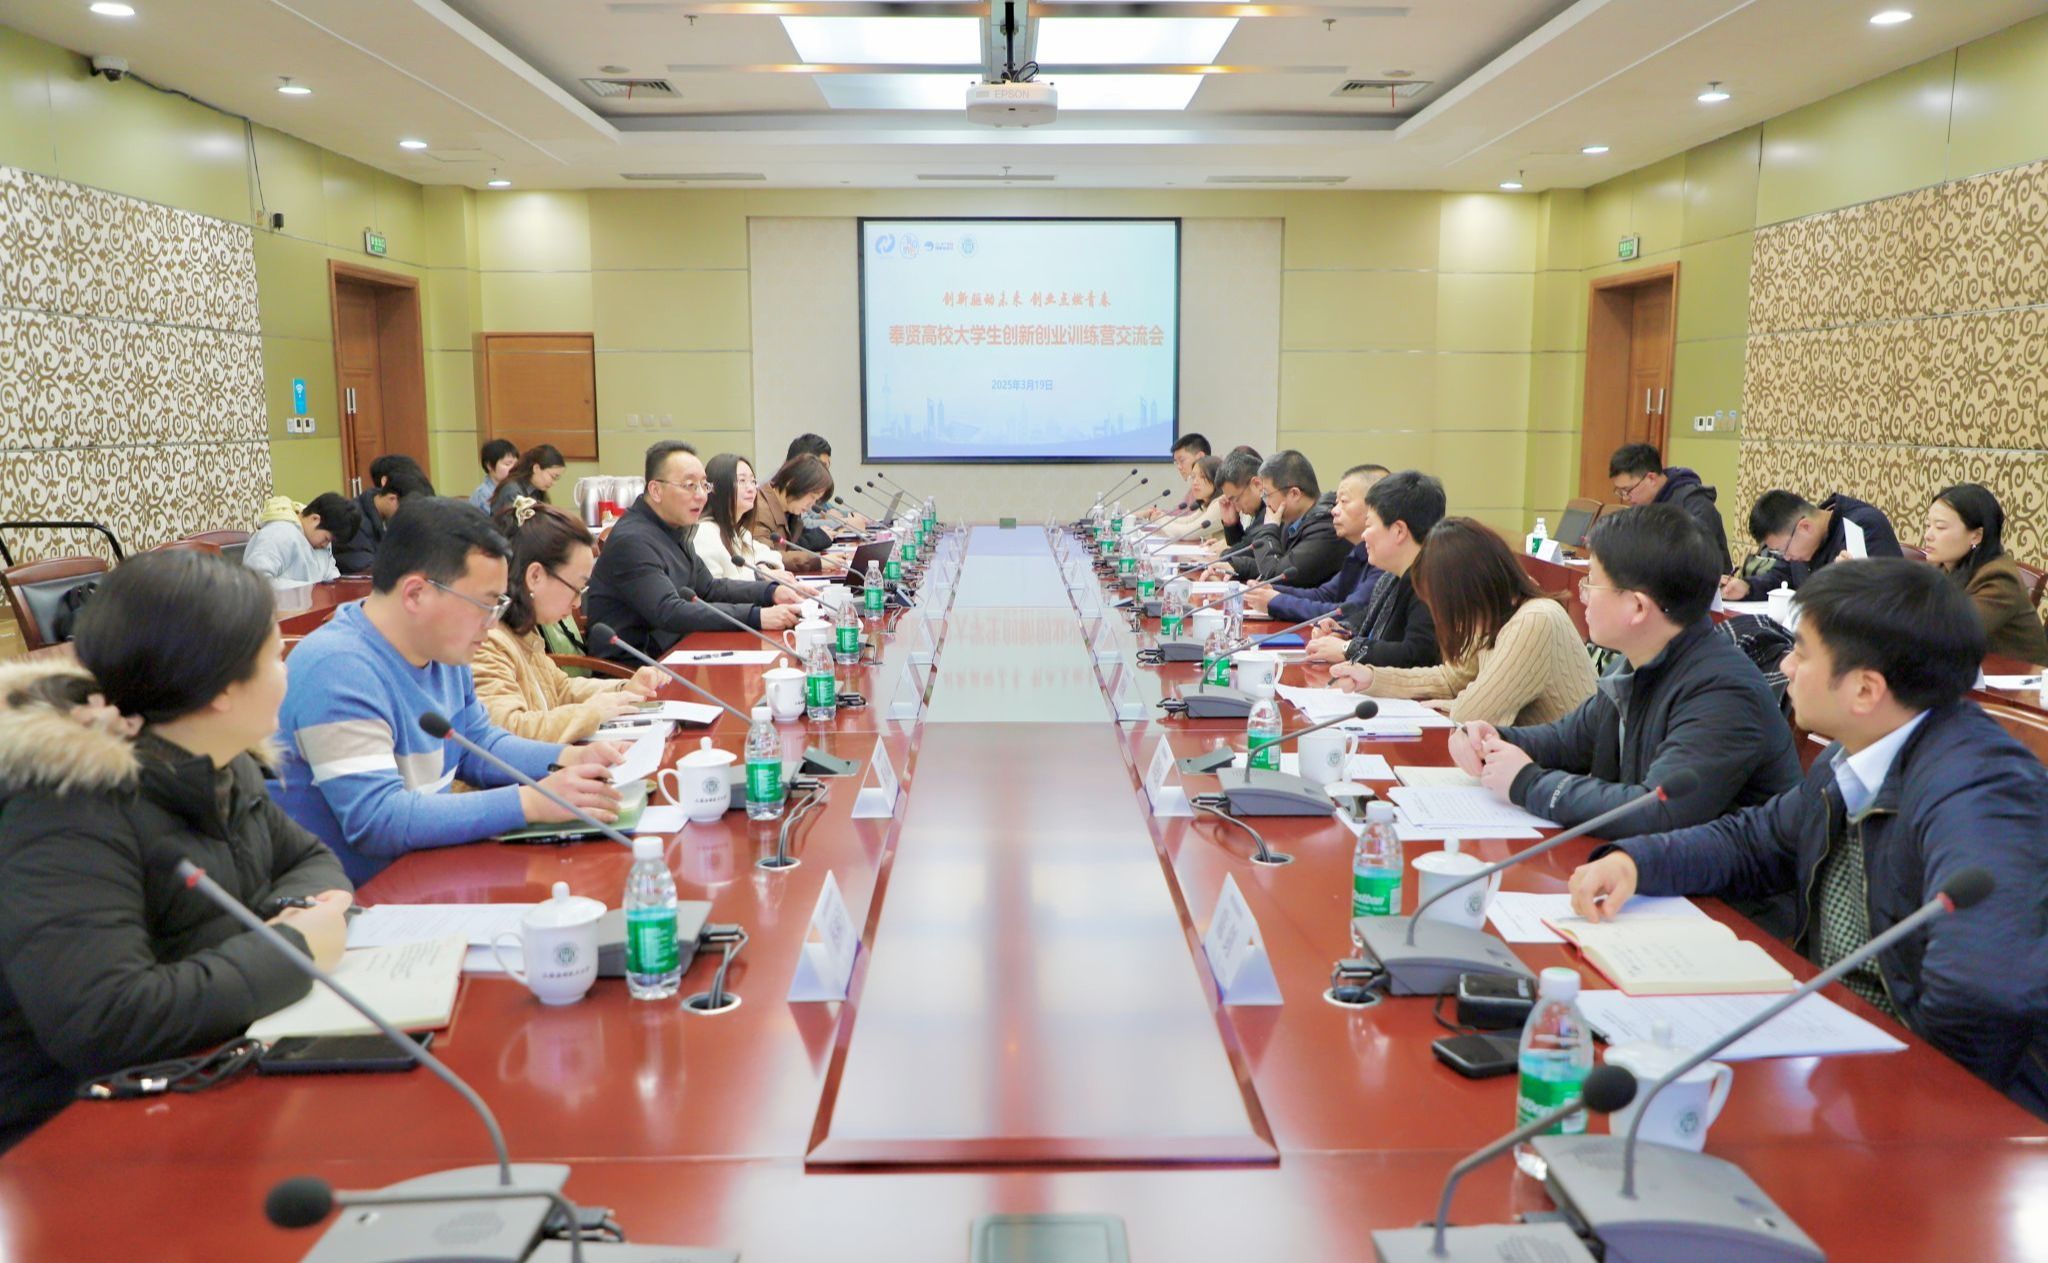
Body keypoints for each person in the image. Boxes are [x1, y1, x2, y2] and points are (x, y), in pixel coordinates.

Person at [1566, 559, 2048, 1117]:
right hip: (1840, 1053)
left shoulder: (1981, 795)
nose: (1786, 666)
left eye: (1801, 652)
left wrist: (1907, 1102)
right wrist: (1635, 862)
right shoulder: (1858, 750)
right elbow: (1757, 840)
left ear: (1865, 689)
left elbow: (1985, 992)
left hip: (1938, 1109)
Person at [0, 551, 352, 1150]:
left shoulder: (223, 761)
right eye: (275, 656)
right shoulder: (68, 809)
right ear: (221, 689)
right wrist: (291, 950)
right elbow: (104, 1019)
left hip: (202, 1072)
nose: (287, 669)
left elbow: (309, 861)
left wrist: (297, 919)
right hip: (66, 1136)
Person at [270, 498, 624, 884]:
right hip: (357, 901)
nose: (492, 624)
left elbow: (478, 745)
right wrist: (529, 802)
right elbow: (377, 819)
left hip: (428, 876)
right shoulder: (337, 667)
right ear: (415, 594)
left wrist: (568, 758)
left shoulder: (441, 651)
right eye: (484, 605)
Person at [1452, 503, 1801, 838]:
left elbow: (1656, 810)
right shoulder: (1636, 661)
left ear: (1637, 607)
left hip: (1720, 881)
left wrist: (1527, 783)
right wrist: (1491, 739)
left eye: (1591, 583)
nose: (1583, 597)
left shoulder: (1723, 693)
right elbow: (1568, 741)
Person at [1331, 518, 1595, 727]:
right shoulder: (1494, 617)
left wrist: (1450, 704)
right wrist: (1373, 678)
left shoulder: (1534, 620)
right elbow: (1451, 679)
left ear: (1464, 591)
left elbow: (1475, 714)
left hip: (1571, 772)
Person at [585, 441, 803, 665]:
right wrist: (757, 616)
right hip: (635, 669)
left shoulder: (675, 528)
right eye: (690, 486)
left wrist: (771, 592)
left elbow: (709, 588)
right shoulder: (633, 540)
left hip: (678, 652)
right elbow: (669, 611)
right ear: (656, 490)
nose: (701, 496)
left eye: (704, 485)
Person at [473, 501, 665, 743]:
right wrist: (592, 713)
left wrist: (623, 689)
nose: (577, 603)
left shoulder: (523, 629)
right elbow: (509, 731)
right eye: (576, 588)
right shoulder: (487, 642)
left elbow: (560, 689)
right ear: (535, 576)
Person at [1303, 469, 1443, 669]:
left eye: (1369, 525)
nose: (1364, 535)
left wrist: (1347, 648)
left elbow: (1416, 654)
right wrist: (1344, 631)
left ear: (1399, 531)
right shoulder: (1391, 577)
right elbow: (1371, 620)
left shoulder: (1429, 583)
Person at [1921, 484, 2048, 664]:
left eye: (1940, 527)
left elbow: (1952, 633)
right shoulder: (1941, 568)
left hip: (2015, 679)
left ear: (1976, 536)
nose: (1928, 535)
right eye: (1928, 525)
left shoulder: (1999, 577)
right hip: (1964, 671)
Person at [1247, 464, 1387, 624]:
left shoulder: (1385, 561)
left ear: (1375, 507)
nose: (1334, 510)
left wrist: (1276, 601)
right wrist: (1272, 590)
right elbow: (1325, 595)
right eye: (1337, 502)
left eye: (1344, 501)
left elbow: (1346, 613)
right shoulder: (1360, 551)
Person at [1723, 489, 1901, 600]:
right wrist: (1747, 588)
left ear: (1805, 527)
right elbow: (1780, 578)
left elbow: (1881, 602)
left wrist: (1842, 581)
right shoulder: (1802, 543)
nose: (1786, 557)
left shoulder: (1862, 528)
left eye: (1784, 550)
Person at [1211, 451, 1346, 589]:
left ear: (1294, 494)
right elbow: (1280, 563)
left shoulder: (1326, 527)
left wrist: (1269, 528)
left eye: (1267, 494)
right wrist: (1236, 566)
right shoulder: (1293, 520)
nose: (1266, 502)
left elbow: (1277, 576)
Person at [1608, 442, 1730, 570]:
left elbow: (1694, 560)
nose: (1626, 498)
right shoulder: (1644, 506)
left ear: (1651, 478)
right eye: (1620, 492)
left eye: (1628, 490)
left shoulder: (1694, 504)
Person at [693, 454, 812, 586]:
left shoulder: (740, 532)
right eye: (742, 481)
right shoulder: (705, 532)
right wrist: (759, 575)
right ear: (717, 487)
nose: (751, 489)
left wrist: (762, 568)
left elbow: (771, 555)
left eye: (753, 481)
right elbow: (714, 589)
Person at [243, 492, 360, 586]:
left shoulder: (318, 540)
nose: (325, 544)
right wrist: (307, 589)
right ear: (315, 519)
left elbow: (331, 576)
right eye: (326, 539)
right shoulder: (278, 533)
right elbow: (257, 582)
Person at [334, 466, 433, 575]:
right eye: (408, 510)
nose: (409, 517)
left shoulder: (387, 519)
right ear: (392, 499)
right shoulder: (352, 520)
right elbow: (364, 568)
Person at [751, 455, 842, 574]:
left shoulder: (790, 511)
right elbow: (767, 557)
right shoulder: (760, 509)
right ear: (792, 483)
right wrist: (817, 561)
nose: (811, 505)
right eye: (812, 497)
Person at [1148, 455, 1225, 542]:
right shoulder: (1207, 504)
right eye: (1193, 477)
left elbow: (1187, 533)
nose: (1195, 482)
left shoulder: (1221, 504)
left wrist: (1159, 520)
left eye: (1202, 476)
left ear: (1216, 479)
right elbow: (1187, 521)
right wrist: (1162, 516)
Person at [1138, 434, 1215, 521]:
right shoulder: (1195, 485)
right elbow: (1179, 514)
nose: (1179, 467)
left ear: (1200, 457)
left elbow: (1188, 524)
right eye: (1176, 462)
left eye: (1182, 460)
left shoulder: (1211, 489)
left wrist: (1159, 518)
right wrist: (1149, 514)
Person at [1209, 449, 1268, 558]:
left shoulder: (1271, 510)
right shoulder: (1260, 510)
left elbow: (1246, 551)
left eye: (1236, 499)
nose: (1237, 509)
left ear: (1256, 484)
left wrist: (1222, 554)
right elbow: (1245, 550)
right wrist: (1231, 524)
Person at [490, 444, 566, 517]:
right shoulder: (512, 491)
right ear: (536, 468)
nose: (554, 483)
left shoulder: (536, 491)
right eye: (553, 477)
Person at [470, 439, 519, 512]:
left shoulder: (515, 489)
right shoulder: (482, 494)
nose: (514, 468)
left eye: (515, 464)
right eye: (507, 464)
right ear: (489, 466)